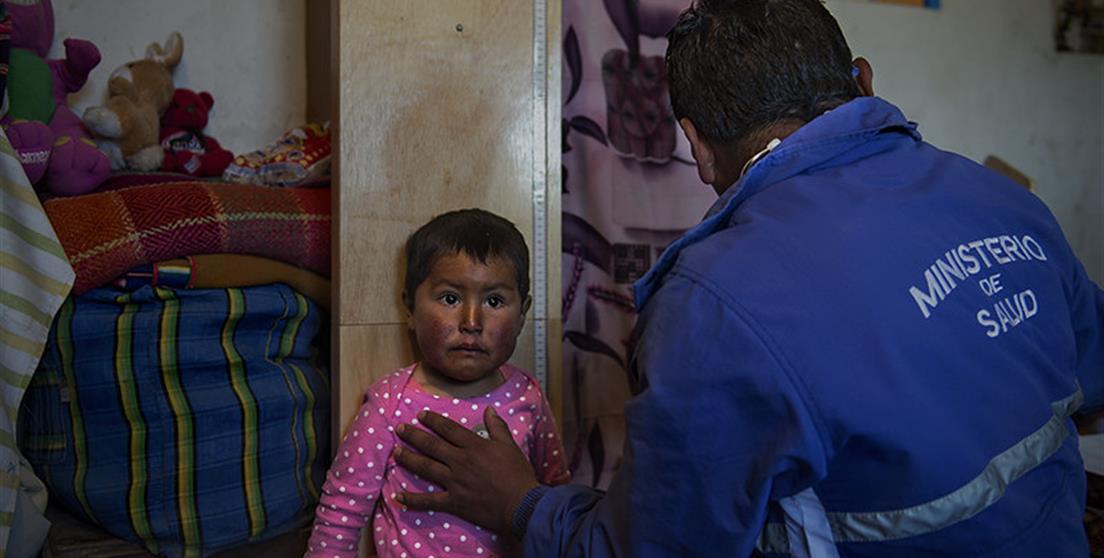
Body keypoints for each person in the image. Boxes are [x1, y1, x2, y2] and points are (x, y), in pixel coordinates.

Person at [393, 0, 1104, 556]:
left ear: (697, 146)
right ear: (862, 81)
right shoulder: (1000, 197)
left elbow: (654, 549)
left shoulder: (714, 303)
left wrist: (521, 503)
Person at [305, 209, 569, 557]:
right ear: (410, 308)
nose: (471, 322)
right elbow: (342, 512)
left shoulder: (529, 396)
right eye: (450, 298)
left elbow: (555, 497)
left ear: (522, 315)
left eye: (494, 301)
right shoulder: (390, 403)